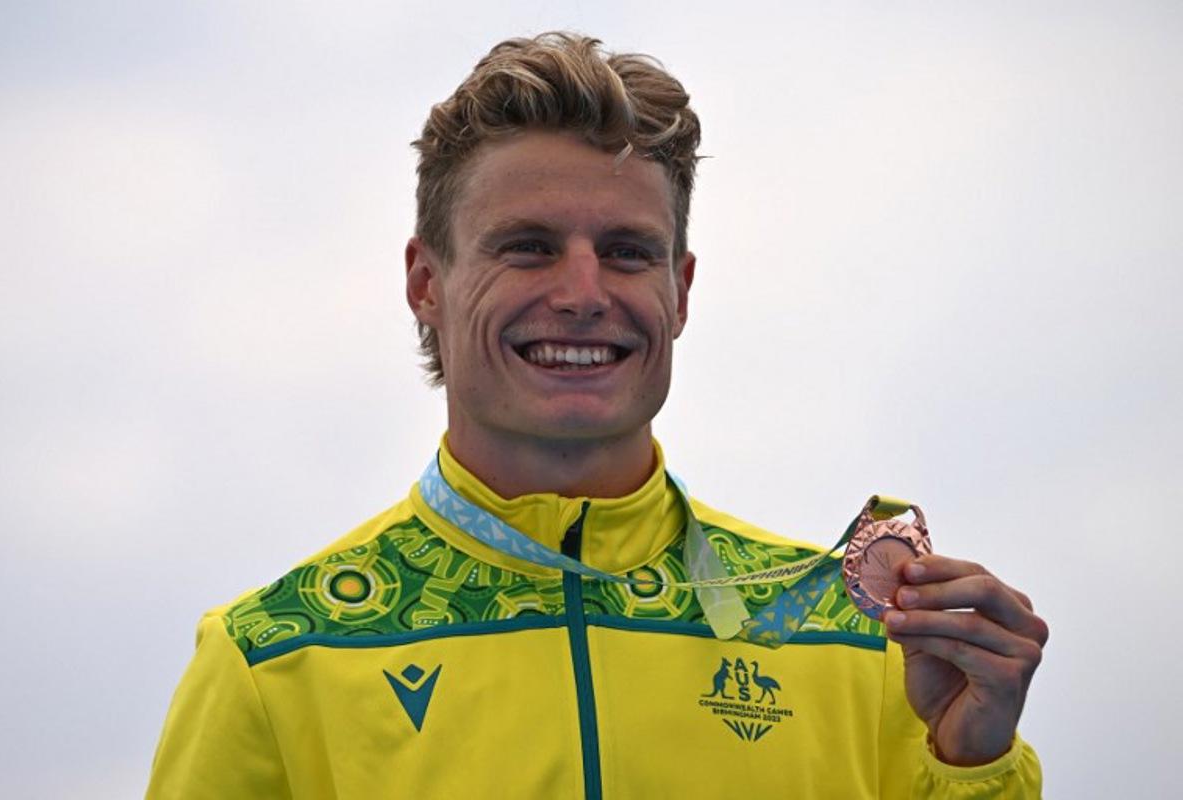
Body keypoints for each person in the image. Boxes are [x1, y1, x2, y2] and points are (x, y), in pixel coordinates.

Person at [146, 32, 1047, 798]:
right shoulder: (273, 660)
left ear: (680, 291)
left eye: (625, 253)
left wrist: (973, 762)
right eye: (530, 248)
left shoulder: (858, 648)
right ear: (427, 283)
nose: (583, 294)